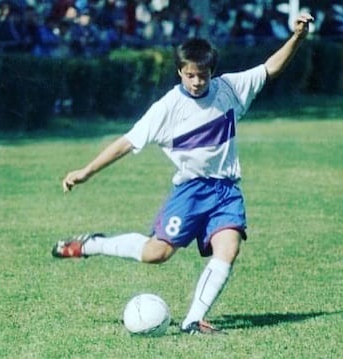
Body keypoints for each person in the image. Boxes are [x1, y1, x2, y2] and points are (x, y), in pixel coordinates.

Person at [52, 13, 314, 334]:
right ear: (180, 72)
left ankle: (193, 319)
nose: (196, 82)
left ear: (211, 73)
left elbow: (270, 68)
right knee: (156, 253)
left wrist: (298, 37)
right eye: (189, 75)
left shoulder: (229, 89)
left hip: (227, 191)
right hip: (190, 191)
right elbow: (126, 143)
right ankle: (92, 244)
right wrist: (86, 171)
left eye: (202, 76)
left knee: (228, 248)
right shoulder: (167, 108)